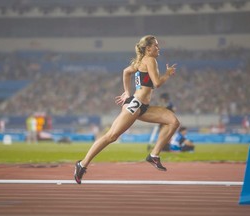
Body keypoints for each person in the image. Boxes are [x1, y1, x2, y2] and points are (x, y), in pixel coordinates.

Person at [74, 35, 180, 184]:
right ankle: (82, 164)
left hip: (143, 107)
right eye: (156, 45)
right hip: (135, 105)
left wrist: (126, 92)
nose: (158, 48)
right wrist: (167, 74)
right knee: (111, 136)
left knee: (173, 122)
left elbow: (126, 72)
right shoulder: (150, 60)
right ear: (148, 48)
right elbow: (157, 83)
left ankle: (154, 155)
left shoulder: (141, 61)